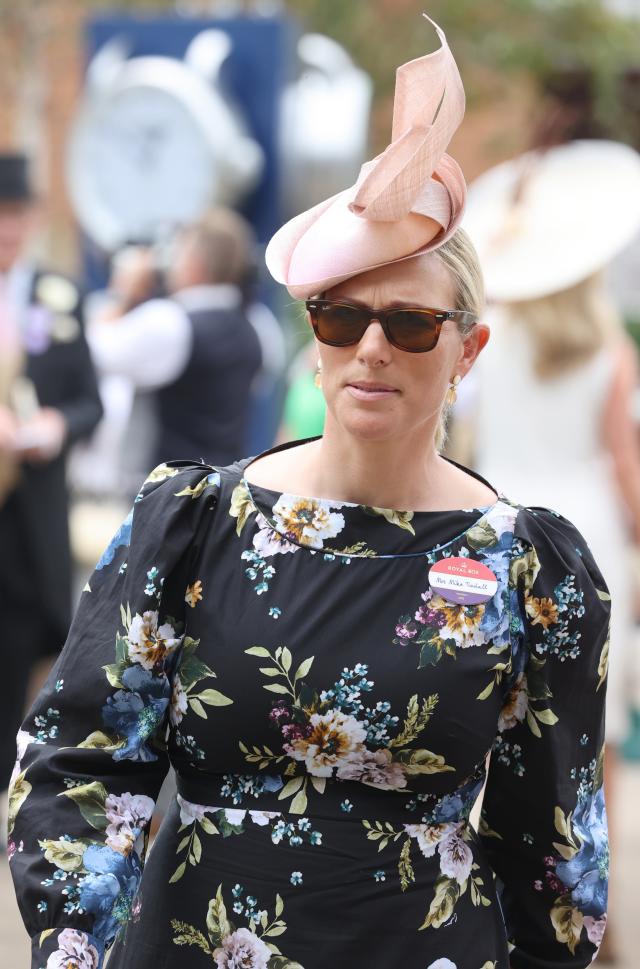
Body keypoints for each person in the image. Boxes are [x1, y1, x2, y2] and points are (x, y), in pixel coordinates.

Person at [9, 20, 609, 969]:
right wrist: (76, 947)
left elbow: (555, 853)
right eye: (342, 315)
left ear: (468, 349)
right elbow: (83, 763)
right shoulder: (194, 522)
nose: (370, 347)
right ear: (314, 331)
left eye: (411, 324)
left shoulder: (530, 566)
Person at [459, 137, 640, 964]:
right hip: (591, 533)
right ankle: (596, 921)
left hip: (508, 521)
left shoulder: (494, 350)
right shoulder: (610, 352)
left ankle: (506, 892)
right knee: (590, 740)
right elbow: (628, 469)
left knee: (499, 718)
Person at [0, 152, 103, 797]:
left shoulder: (56, 298)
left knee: (17, 648)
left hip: (25, 511)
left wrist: (53, 428)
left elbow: (90, 401)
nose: (7, 231)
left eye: (15, 216)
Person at [87, 208, 264, 470]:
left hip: (169, 492)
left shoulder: (170, 322)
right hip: (226, 488)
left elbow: (92, 350)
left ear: (196, 264)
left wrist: (122, 292)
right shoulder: (258, 325)